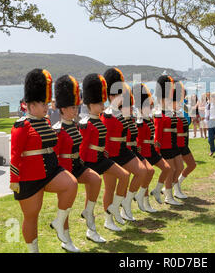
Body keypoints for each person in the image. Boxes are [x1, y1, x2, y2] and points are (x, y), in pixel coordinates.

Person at [9, 69, 78, 253]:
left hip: (51, 171)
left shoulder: (46, 122)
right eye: (42, 103)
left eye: (46, 103)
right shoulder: (20, 127)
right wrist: (14, 181)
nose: (46, 107)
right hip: (29, 177)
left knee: (71, 184)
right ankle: (34, 250)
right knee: (31, 217)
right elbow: (15, 156)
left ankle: (58, 222)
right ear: (30, 105)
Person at [53, 75, 106, 246]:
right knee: (66, 205)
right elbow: (55, 155)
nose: (75, 110)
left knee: (96, 179)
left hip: (78, 165)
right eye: (70, 108)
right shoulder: (57, 129)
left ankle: (89, 213)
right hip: (64, 169)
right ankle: (65, 239)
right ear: (61, 109)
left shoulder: (77, 125)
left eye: (75, 107)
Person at [79, 73, 130, 233]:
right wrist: (81, 166)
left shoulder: (100, 118)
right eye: (99, 103)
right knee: (90, 197)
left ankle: (113, 207)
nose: (103, 105)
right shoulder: (85, 123)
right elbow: (83, 147)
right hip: (89, 162)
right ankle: (91, 230)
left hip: (102, 158)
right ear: (90, 104)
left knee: (124, 175)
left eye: (103, 102)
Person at [101, 68, 148, 222]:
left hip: (123, 150)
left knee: (142, 172)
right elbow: (103, 137)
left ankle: (125, 203)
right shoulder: (106, 114)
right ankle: (109, 220)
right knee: (110, 188)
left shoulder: (122, 113)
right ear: (111, 96)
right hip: (110, 153)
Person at [134, 83, 171, 208]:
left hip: (152, 149)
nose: (150, 107)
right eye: (148, 106)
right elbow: (138, 139)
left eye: (150, 105)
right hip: (143, 151)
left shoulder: (149, 119)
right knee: (147, 175)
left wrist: (155, 144)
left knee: (167, 168)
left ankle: (157, 191)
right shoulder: (139, 120)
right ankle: (145, 202)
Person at [122, 84, 156, 213]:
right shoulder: (125, 119)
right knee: (125, 181)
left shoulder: (133, 117)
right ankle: (126, 207)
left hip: (135, 150)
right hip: (125, 151)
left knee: (149, 171)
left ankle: (138, 198)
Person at [153, 75, 184, 205]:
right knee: (170, 170)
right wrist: (157, 148)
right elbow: (157, 132)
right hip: (165, 144)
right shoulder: (159, 112)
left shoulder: (170, 111)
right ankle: (168, 196)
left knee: (180, 167)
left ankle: (165, 189)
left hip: (173, 143)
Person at [173, 82, 197, 198]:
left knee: (191, 165)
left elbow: (191, 114)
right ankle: (174, 189)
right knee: (179, 167)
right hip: (178, 138)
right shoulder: (173, 107)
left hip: (185, 135)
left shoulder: (183, 105)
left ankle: (176, 185)